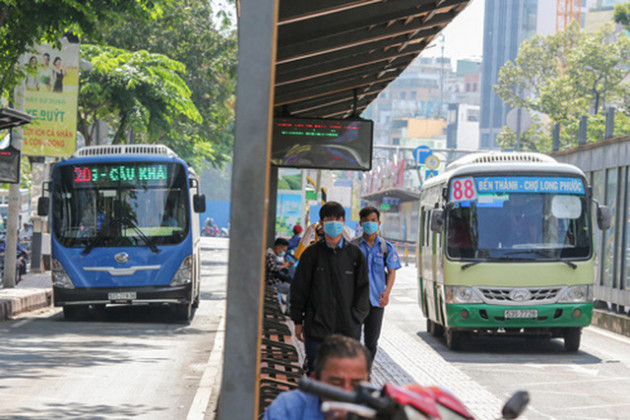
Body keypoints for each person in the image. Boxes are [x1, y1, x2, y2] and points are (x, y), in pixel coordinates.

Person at [290, 201, 369, 375]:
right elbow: (299, 288)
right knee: (317, 373)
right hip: (316, 329)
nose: (333, 222)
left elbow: (363, 290)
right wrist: (298, 320)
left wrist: (356, 318)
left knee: (346, 375)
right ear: (321, 222)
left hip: (348, 330)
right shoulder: (311, 255)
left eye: (337, 219)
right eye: (328, 219)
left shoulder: (355, 255)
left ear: (343, 221)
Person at [263, 334, 371, 420]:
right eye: (336, 383)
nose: (347, 391)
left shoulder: (377, 413)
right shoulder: (288, 407)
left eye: (356, 384)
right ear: (315, 381)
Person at [353, 206, 401, 360]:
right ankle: (354, 373)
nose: (369, 224)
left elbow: (392, 271)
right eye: (366, 221)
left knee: (371, 342)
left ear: (379, 223)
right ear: (360, 223)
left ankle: (367, 372)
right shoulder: (352, 247)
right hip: (355, 302)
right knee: (352, 342)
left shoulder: (386, 247)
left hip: (376, 302)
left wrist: (387, 293)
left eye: (373, 221)